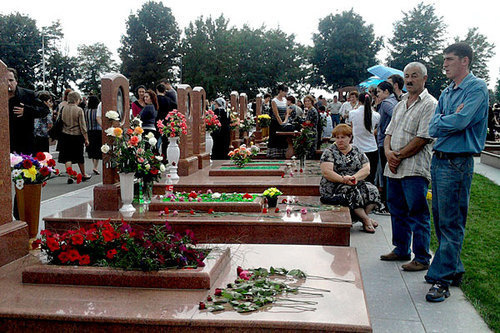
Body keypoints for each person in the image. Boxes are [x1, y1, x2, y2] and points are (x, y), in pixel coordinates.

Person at [425, 43, 489, 302]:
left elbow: (462, 121)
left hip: (457, 163)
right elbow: (433, 126)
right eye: (444, 60)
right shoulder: (447, 91)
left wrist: (448, 120)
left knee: (451, 222)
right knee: (441, 219)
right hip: (439, 160)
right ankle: (454, 268)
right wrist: (448, 119)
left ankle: (442, 279)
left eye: (450, 59)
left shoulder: (476, 88)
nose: (445, 64)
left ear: (465, 61)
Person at [380, 62, 437, 274]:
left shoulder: (430, 104)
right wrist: (388, 152)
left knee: (417, 212)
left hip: (414, 168)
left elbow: (423, 137)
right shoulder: (400, 102)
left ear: (424, 78)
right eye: (406, 76)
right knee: (396, 209)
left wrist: (398, 156)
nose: (410, 80)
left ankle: (421, 257)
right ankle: (401, 248)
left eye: (414, 76)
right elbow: (388, 132)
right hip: (393, 167)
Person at [320, 124, 381, 233]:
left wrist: (354, 178)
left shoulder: (357, 150)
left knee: (373, 190)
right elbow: (327, 172)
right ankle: (366, 220)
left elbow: (366, 168)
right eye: (337, 137)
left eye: (343, 137)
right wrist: (344, 179)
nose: (339, 140)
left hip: (354, 181)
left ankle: (363, 218)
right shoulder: (329, 152)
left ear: (350, 137)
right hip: (334, 186)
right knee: (350, 191)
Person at [7, 68, 50, 155]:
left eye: (11, 80)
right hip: (5, 142)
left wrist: (27, 111)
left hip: (24, 143)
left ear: (16, 81)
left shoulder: (28, 94)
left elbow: (45, 110)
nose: (8, 83)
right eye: (5, 80)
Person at [374, 81, 398, 214]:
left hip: (385, 142)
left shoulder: (387, 103)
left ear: (386, 92)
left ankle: (387, 205)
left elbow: (397, 116)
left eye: (379, 92)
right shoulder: (394, 101)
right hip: (388, 141)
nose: (377, 94)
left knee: (385, 173)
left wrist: (385, 129)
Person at [57, 91, 91, 184]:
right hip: (77, 136)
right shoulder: (79, 110)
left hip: (65, 135)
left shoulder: (63, 108)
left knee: (67, 157)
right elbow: (83, 126)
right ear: (77, 99)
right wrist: (86, 138)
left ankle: (70, 175)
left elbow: (59, 121)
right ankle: (84, 174)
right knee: (79, 156)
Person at [348, 93, 380, 183]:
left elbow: (352, 128)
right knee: (370, 176)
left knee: (356, 176)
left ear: (359, 100)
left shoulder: (353, 113)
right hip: (372, 148)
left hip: (357, 148)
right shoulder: (376, 115)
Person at [266, 84, 291, 159]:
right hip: (275, 123)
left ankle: (283, 154)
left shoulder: (285, 100)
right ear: (280, 91)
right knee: (275, 139)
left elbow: (287, 112)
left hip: (284, 121)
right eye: (284, 92)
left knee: (283, 140)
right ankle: (275, 156)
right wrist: (281, 123)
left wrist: (285, 122)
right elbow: (276, 114)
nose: (285, 94)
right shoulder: (274, 101)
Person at [84, 95, 102, 175]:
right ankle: (95, 166)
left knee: (91, 149)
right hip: (98, 131)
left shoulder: (86, 111)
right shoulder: (97, 111)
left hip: (89, 131)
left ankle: (94, 165)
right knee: (97, 150)